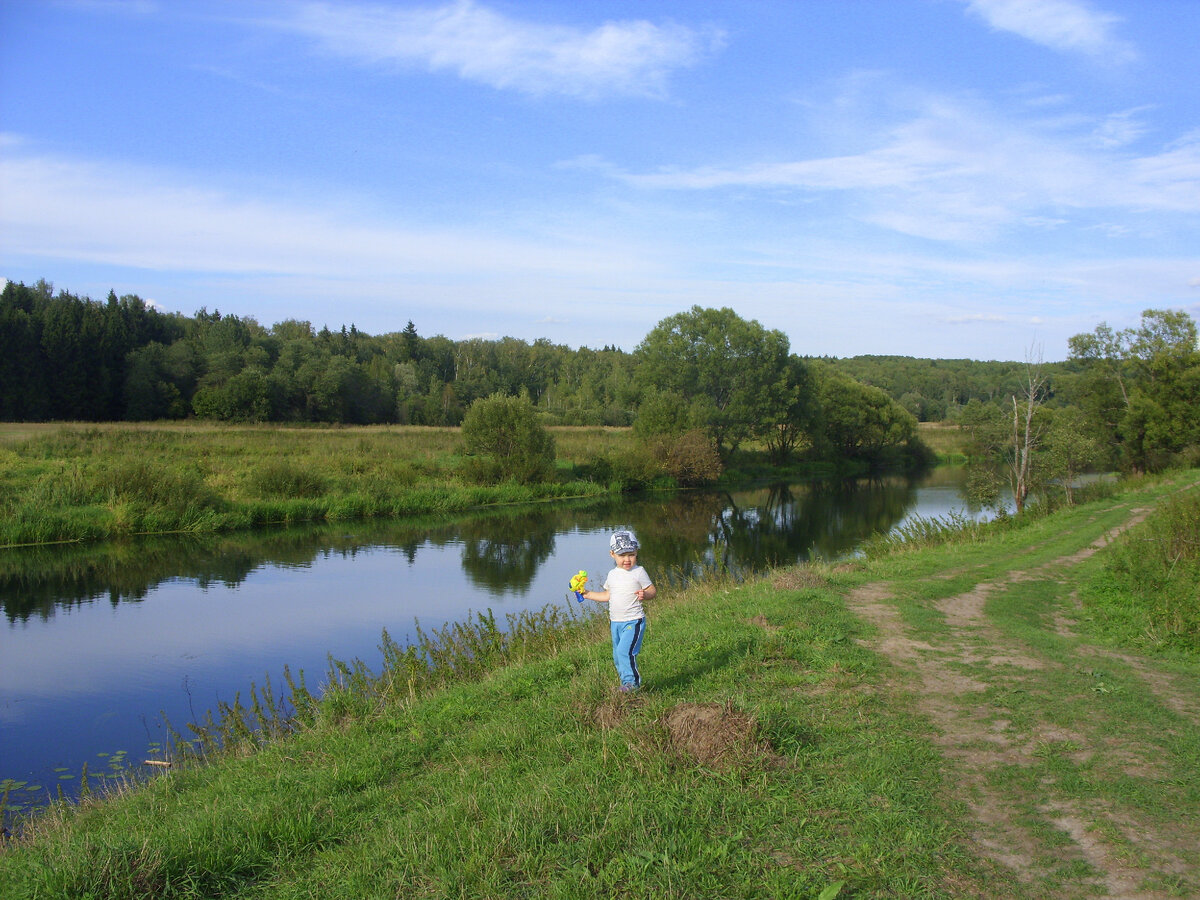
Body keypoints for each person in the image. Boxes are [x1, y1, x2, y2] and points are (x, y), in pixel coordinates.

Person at [577, 529, 656, 691]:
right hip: (615, 623)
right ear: (612, 554)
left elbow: (652, 590)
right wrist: (587, 594)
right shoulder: (612, 574)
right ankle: (625, 683)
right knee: (617, 656)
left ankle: (632, 684)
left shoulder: (639, 572)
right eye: (622, 555)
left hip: (633, 621)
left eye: (631, 554)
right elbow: (607, 595)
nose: (627, 559)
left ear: (636, 552)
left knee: (624, 652)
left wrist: (645, 594)